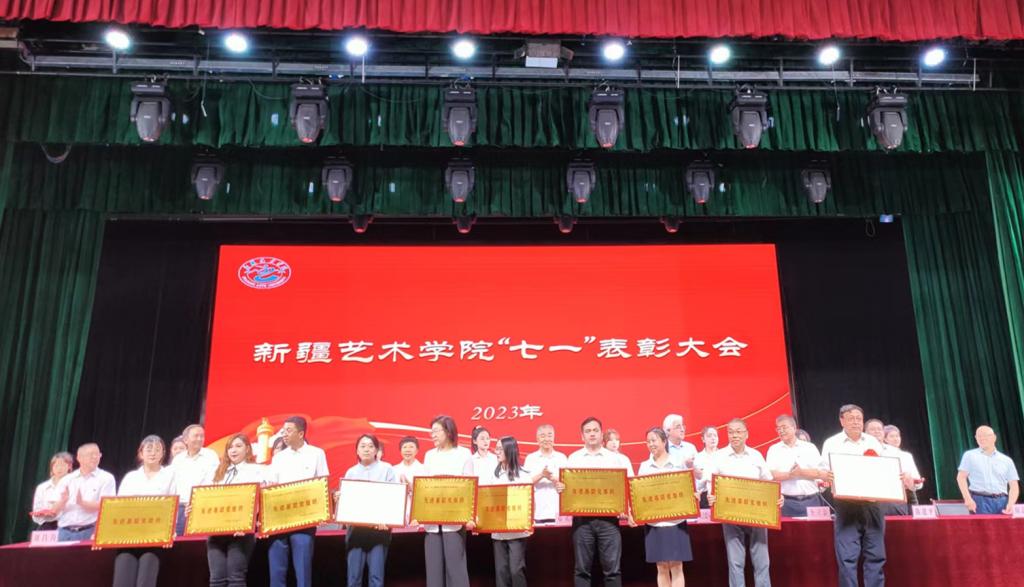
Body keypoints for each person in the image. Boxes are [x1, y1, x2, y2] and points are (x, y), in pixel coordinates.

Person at [705, 419, 779, 587]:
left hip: (757, 514)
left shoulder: (756, 455)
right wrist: (711, 496)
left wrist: (777, 496)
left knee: (762, 561)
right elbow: (711, 483)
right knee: (735, 562)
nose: (735, 435)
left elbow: (768, 482)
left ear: (746, 434)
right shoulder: (718, 456)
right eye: (731, 432)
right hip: (730, 514)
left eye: (738, 431)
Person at [558, 416, 631, 586]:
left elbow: (623, 486)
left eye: (595, 430)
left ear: (601, 434)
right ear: (582, 436)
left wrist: (623, 507)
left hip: (609, 521)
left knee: (612, 571)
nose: (592, 434)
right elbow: (568, 488)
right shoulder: (574, 458)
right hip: (582, 521)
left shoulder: (613, 458)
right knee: (582, 570)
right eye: (588, 431)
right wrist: (561, 487)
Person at [821, 404, 886, 587]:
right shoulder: (831, 443)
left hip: (873, 504)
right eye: (851, 418)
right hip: (846, 504)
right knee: (847, 557)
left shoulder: (872, 442)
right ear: (842, 421)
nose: (856, 422)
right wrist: (826, 477)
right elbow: (824, 471)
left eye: (859, 418)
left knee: (876, 555)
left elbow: (884, 469)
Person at [267, 416, 329, 587]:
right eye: (283, 430)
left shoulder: (317, 454)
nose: (284, 434)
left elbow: (322, 483)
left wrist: (323, 513)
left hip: (305, 519)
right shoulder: (279, 458)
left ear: (301, 433)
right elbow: (271, 486)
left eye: (288, 430)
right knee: (277, 570)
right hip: (279, 519)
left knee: (303, 570)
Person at [632, 427, 694, 587]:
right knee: (661, 567)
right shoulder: (645, 466)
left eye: (654, 440)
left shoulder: (678, 463)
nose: (651, 444)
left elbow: (687, 488)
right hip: (654, 523)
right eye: (648, 441)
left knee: (677, 566)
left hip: (675, 521)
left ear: (664, 441)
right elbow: (639, 494)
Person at [113, 435, 177, 587]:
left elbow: (172, 505)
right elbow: (118, 507)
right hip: (128, 535)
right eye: (148, 449)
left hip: (154, 535)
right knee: (122, 581)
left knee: (146, 581)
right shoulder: (131, 477)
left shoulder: (169, 476)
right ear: (141, 453)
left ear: (163, 453)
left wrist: (170, 531)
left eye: (157, 449)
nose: (153, 453)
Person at [202, 433, 264, 587]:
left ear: (247, 449)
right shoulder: (216, 472)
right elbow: (205, 498)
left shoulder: (257, 470)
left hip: (241, 532)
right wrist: (194, 508)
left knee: (236, 578)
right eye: (230, 447)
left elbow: (259, 499)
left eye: (238, 446)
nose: (233, 450)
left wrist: (246, 523)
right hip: (216, 532)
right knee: (216, 579)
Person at [420, 414, 474, 587]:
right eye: (431, 432)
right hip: (432, 521)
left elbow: (469, 487)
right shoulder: (429, 455)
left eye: (436, 431)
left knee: (456, 569)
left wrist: (470, 515)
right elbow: (425, 486)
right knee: (433, 570)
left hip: (455, 520)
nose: (433, 435)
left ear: (449, 431)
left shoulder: (464, 454)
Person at [343, 434, 397, 587]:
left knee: (376, 578)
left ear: (376, 450)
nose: (366, 449)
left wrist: (387, 519)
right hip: (356, 531)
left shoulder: (387, 469)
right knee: (353, 578)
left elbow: (394, 498)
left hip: (379, 530)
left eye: (370, 446)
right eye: (362, 446)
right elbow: (347, 503)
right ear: (357, 451)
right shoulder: (351, 472)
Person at [485, 436, 531, 587]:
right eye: (496, 448)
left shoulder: (523, 475)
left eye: (500, 449)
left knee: (516, 570)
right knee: (501, 571)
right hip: (498, 532)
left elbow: (529, 502)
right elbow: (488, 501)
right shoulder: (494, 475)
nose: (496, 452)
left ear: (509, 450)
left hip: (517, 532)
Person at [766, 415, 827, 517]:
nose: (781, 431)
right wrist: (790, 475)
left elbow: (823, 474)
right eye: (778, 429)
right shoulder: (774, 450)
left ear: (794, 428)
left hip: (812, 501)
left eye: (784, 427)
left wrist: (801, 473)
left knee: (815, 528)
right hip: (786, 503)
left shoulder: (809, 448)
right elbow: (771, 475)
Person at [54, 442, 117, 542]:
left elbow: (107, 505)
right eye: (91, 454)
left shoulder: (106, 478)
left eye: (97, 454)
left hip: (89, 530)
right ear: (79, 458)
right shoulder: (67, 479)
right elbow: (54, 510)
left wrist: (81, 502)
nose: (95, 457)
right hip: (64, 532)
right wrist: (63, 501)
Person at [956, 425, 1020, 515]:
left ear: (994, 437)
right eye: (979, 436)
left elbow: (1014, 485)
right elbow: (961, 477)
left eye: (986, 435)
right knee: (981, 525)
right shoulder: (969, 455)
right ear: (976, 438)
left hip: (1002, 502)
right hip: (979, 501)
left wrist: (1011, 503)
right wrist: (967, 498)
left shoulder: (1006, 460)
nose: (982, 438)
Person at [172, 424, 219, 536]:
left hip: (201, 507)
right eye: (196, 436)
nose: (199, 439)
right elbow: (174, 485)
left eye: (202, 436)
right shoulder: (178, 459)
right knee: (179, 543)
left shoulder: (210, 455)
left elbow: (214, 481)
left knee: (199, 543)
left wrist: (199, 502)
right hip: (181, 509)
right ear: (185, 440)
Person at [525, 424, 568, 525]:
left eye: (549, 435)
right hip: (537, 512)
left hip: (558, 511)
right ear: (537, 439)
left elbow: (568, 483)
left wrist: (554, 479)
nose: (546, 439)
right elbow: (525, 483)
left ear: (554, 437)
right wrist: (542, 475)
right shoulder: (531, 458)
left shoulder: (562, 458)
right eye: (542, 436)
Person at [882, 425, 923, 515]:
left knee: (915, 520)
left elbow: (918, 481)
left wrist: (913, 482)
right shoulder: (882, 454)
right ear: (885, 439)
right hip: (893, 495)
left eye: (897, 436)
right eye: (892, 436)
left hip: (910, 494)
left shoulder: (907, 455)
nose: (896, 439)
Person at [31, 451, 74, 530]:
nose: (59, 468)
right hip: (46, 527)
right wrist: (42, 515)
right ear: (52, 467)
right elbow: (36, 513)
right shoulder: (42, 487)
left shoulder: (75, 484)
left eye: (62, 465)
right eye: (56, 465)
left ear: (69, 466)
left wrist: (56, 511)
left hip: (68, 527)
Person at [693, 426, 719, 508]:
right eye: (709, 436)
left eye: (715, 435)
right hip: (703, 496)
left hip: (720, 495)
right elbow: (696, 482)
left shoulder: (723, 456)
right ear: (703, 439)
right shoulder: (697, 457)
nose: (713, 438)